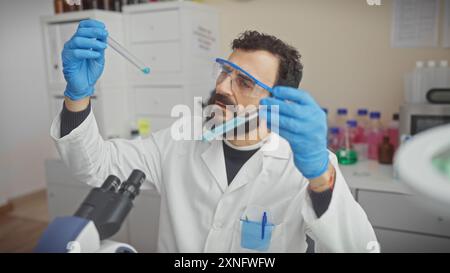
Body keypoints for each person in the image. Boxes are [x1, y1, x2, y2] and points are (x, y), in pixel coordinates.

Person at [51, 19, 377, 252]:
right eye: (225, 72)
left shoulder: (309, 165)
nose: (221, 87)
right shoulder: (180, 139)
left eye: (244, 82)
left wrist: (320, 177)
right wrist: (77, 95)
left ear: (278, 101)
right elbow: (94, 166)